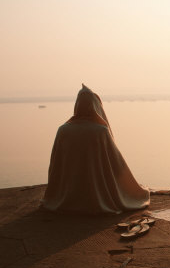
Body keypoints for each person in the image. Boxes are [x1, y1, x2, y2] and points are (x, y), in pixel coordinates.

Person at [41, 84, 150, 214]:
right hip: (97, 197)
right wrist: (131, 188)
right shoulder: (100, 131)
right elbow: (115, 165)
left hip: (65, 197)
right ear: (95, 106)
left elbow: (55, 166)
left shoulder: (63, 130)